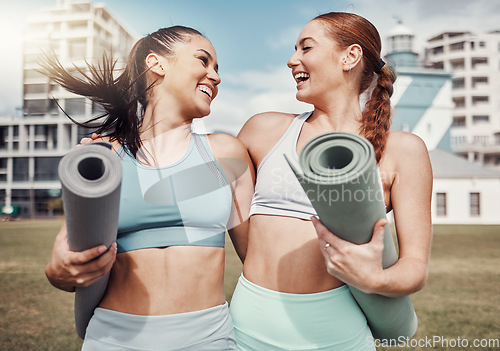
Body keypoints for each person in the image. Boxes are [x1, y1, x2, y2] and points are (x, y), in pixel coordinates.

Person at [230, 12, 433, 351]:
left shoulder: (404, 151)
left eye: (305, 48)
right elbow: (240, 227)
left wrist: (376, 279)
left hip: (336, 334)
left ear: (350, 57)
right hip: (246, 326)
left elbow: (415, 269)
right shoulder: (262, 131)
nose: (292, 60)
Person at [43, 25, 254, 350]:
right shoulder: (104, 155)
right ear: (157, 63)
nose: (215, 76)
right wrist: (60, 271)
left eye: (217, 69)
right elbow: (67, 258)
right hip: (113, 339)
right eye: (204, 60)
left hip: (208, 338)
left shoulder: (226, 152)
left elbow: (258, 259)